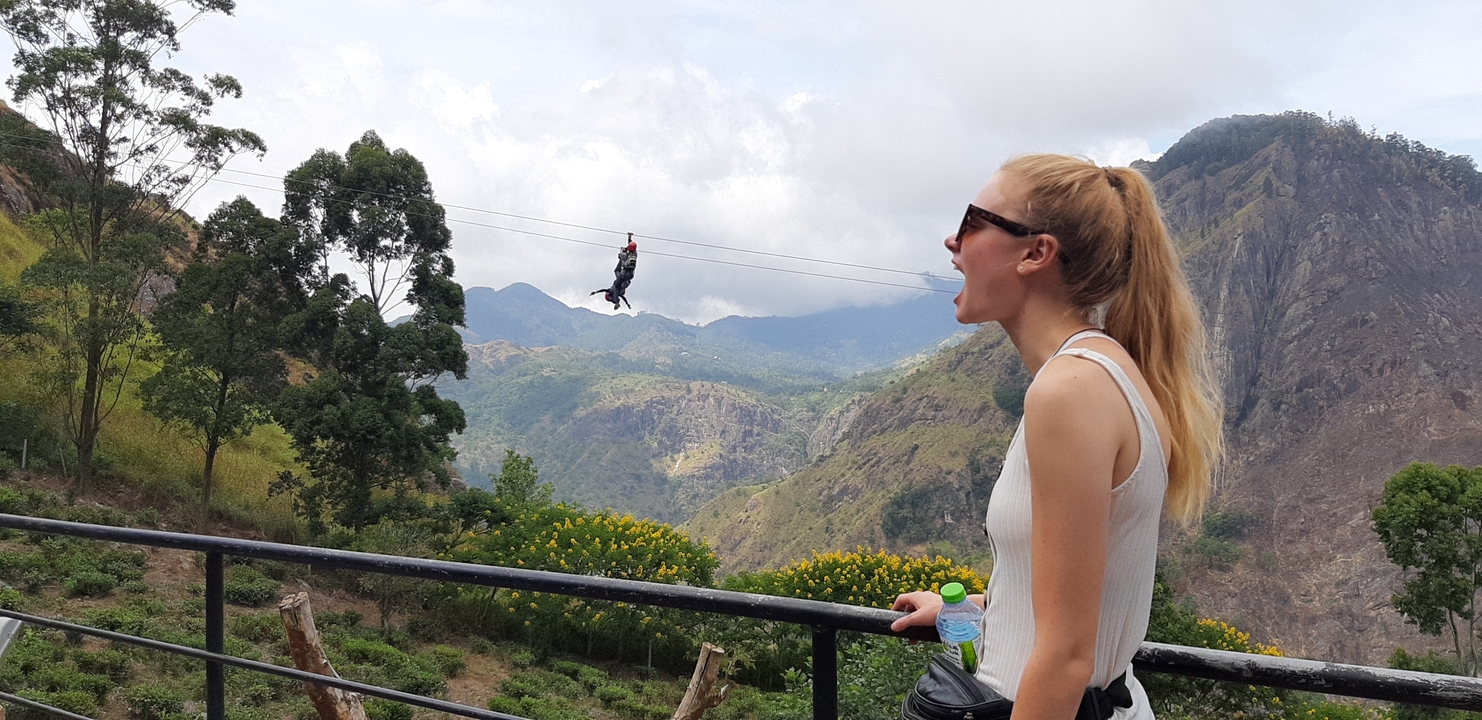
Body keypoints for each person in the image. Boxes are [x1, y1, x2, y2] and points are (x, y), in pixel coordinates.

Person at [890, 155, 1223, 719]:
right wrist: (977, 608)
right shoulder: (1110, 370)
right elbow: (1085, 593)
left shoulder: (1068, 391)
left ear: (1035, 252)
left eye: (973, 222)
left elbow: (1068, 655)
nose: (953, 241)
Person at [590, 235, 639, 309]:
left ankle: (617, 302)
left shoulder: (627, 255)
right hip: (627, 275)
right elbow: (604, 290)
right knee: (616, 277)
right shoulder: (635, 254)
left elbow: (621, 296)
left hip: (626, 276)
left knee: (617, 279)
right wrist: (629, 239)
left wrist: (595, 292)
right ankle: (617, 302)